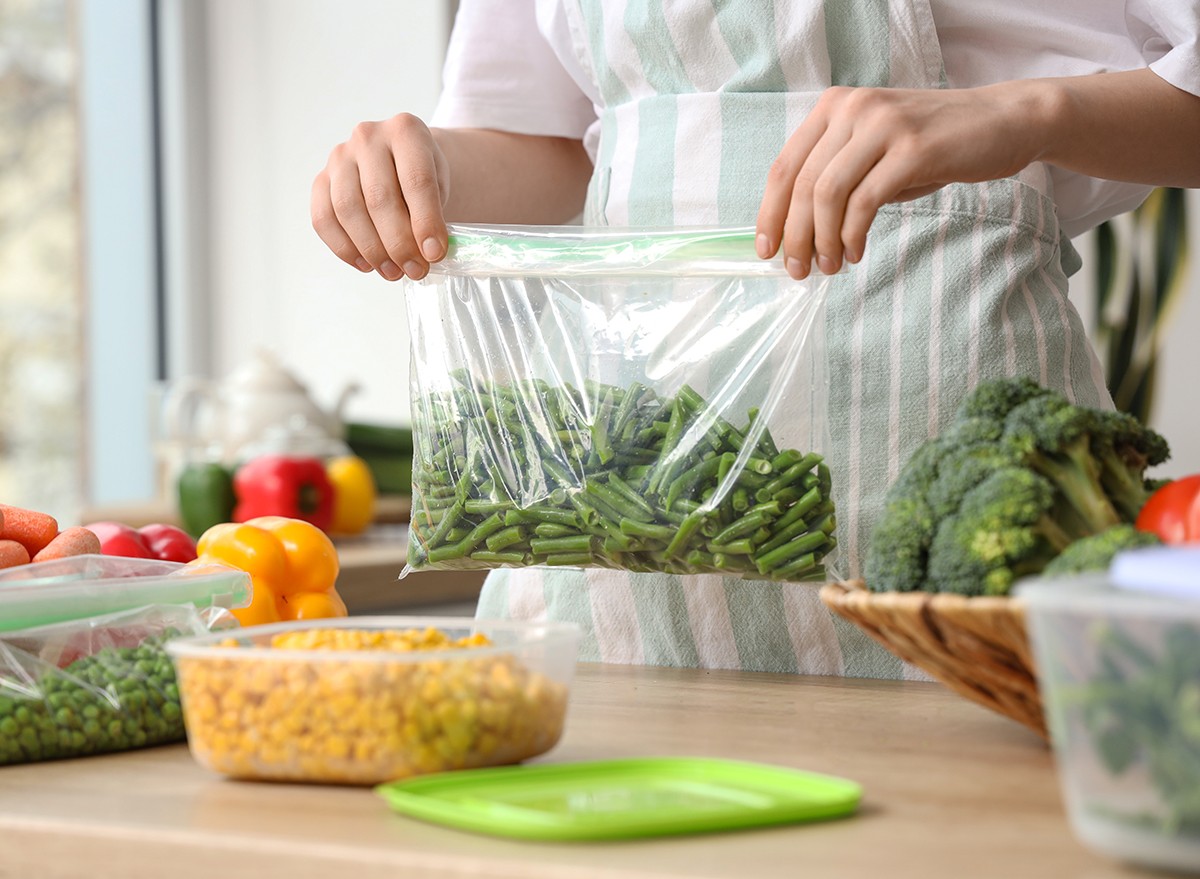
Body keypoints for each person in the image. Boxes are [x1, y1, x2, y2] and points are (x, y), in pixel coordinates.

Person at [312, 1, 1200, 677]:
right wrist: (425, 166)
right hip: (613, 529)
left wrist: (1021, 114)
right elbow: (554, 145)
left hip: (956, 450)